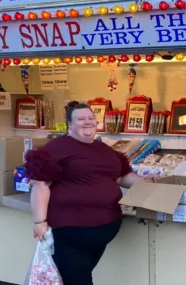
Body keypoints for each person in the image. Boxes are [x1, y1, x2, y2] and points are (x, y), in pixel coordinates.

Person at [25, 101, 145, 285]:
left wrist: (148, 186)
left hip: (103, 230)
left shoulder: (104, 149)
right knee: (78, 280)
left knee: (77, 277)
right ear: (69, 125)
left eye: (91, 118)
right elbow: (40, 185)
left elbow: (121, 177)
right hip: (71, 231)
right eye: (81, 119)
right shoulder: (55, 149)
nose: (87, 122)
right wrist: (39, 222)